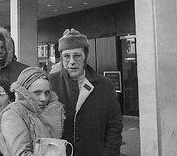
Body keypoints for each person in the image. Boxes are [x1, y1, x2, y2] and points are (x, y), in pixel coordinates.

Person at [49, 28, 123, 156]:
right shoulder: (49, 84)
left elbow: (114, 126)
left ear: (85, 57)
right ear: (61, 59)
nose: (72, 61)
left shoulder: (105, 85)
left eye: (77, 55)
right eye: (67, 56)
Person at [0, 67, 65, 156]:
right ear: (24, 92)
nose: (43, 99)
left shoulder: (46, 113)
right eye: (37, 93)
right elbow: (20, 153)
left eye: (47, 93)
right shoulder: (13, 114)